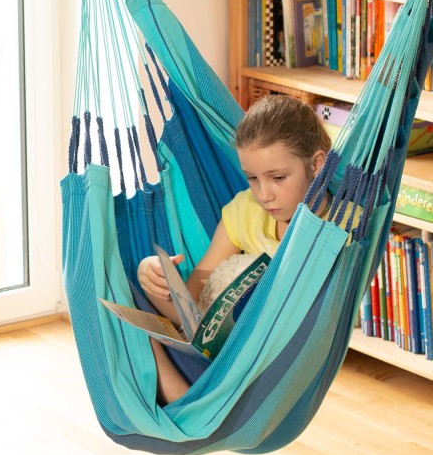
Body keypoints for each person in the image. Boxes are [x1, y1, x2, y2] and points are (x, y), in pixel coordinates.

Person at [137, 94, 333, 404]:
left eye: (278, 178)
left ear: (317, 165)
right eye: (252, 178)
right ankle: (183, 399)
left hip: (274, 363)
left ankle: (188, 403)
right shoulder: (245, 211)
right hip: (221, 354)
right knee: (126, 290)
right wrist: (156, 278)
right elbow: (193, 301)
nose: (264, 194)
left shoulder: (336, 230)